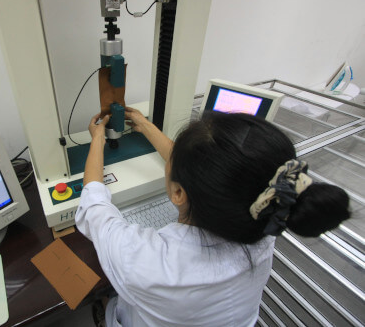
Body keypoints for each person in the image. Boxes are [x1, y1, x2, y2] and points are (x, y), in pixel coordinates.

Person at [75, 108, 350, 327]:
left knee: (106, 296)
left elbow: (94, 207)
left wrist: (98, 138)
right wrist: (145, 125)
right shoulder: (264, 221)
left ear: (179, 192)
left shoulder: (149, 261)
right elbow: (216, 172)